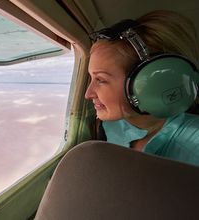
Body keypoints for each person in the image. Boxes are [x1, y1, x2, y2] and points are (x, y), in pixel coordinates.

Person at [85, 10, 199, 166]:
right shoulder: (110, 125)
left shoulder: (195, 143)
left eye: (101, 80)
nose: (88, 93)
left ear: (152, 83)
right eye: (92, 78)